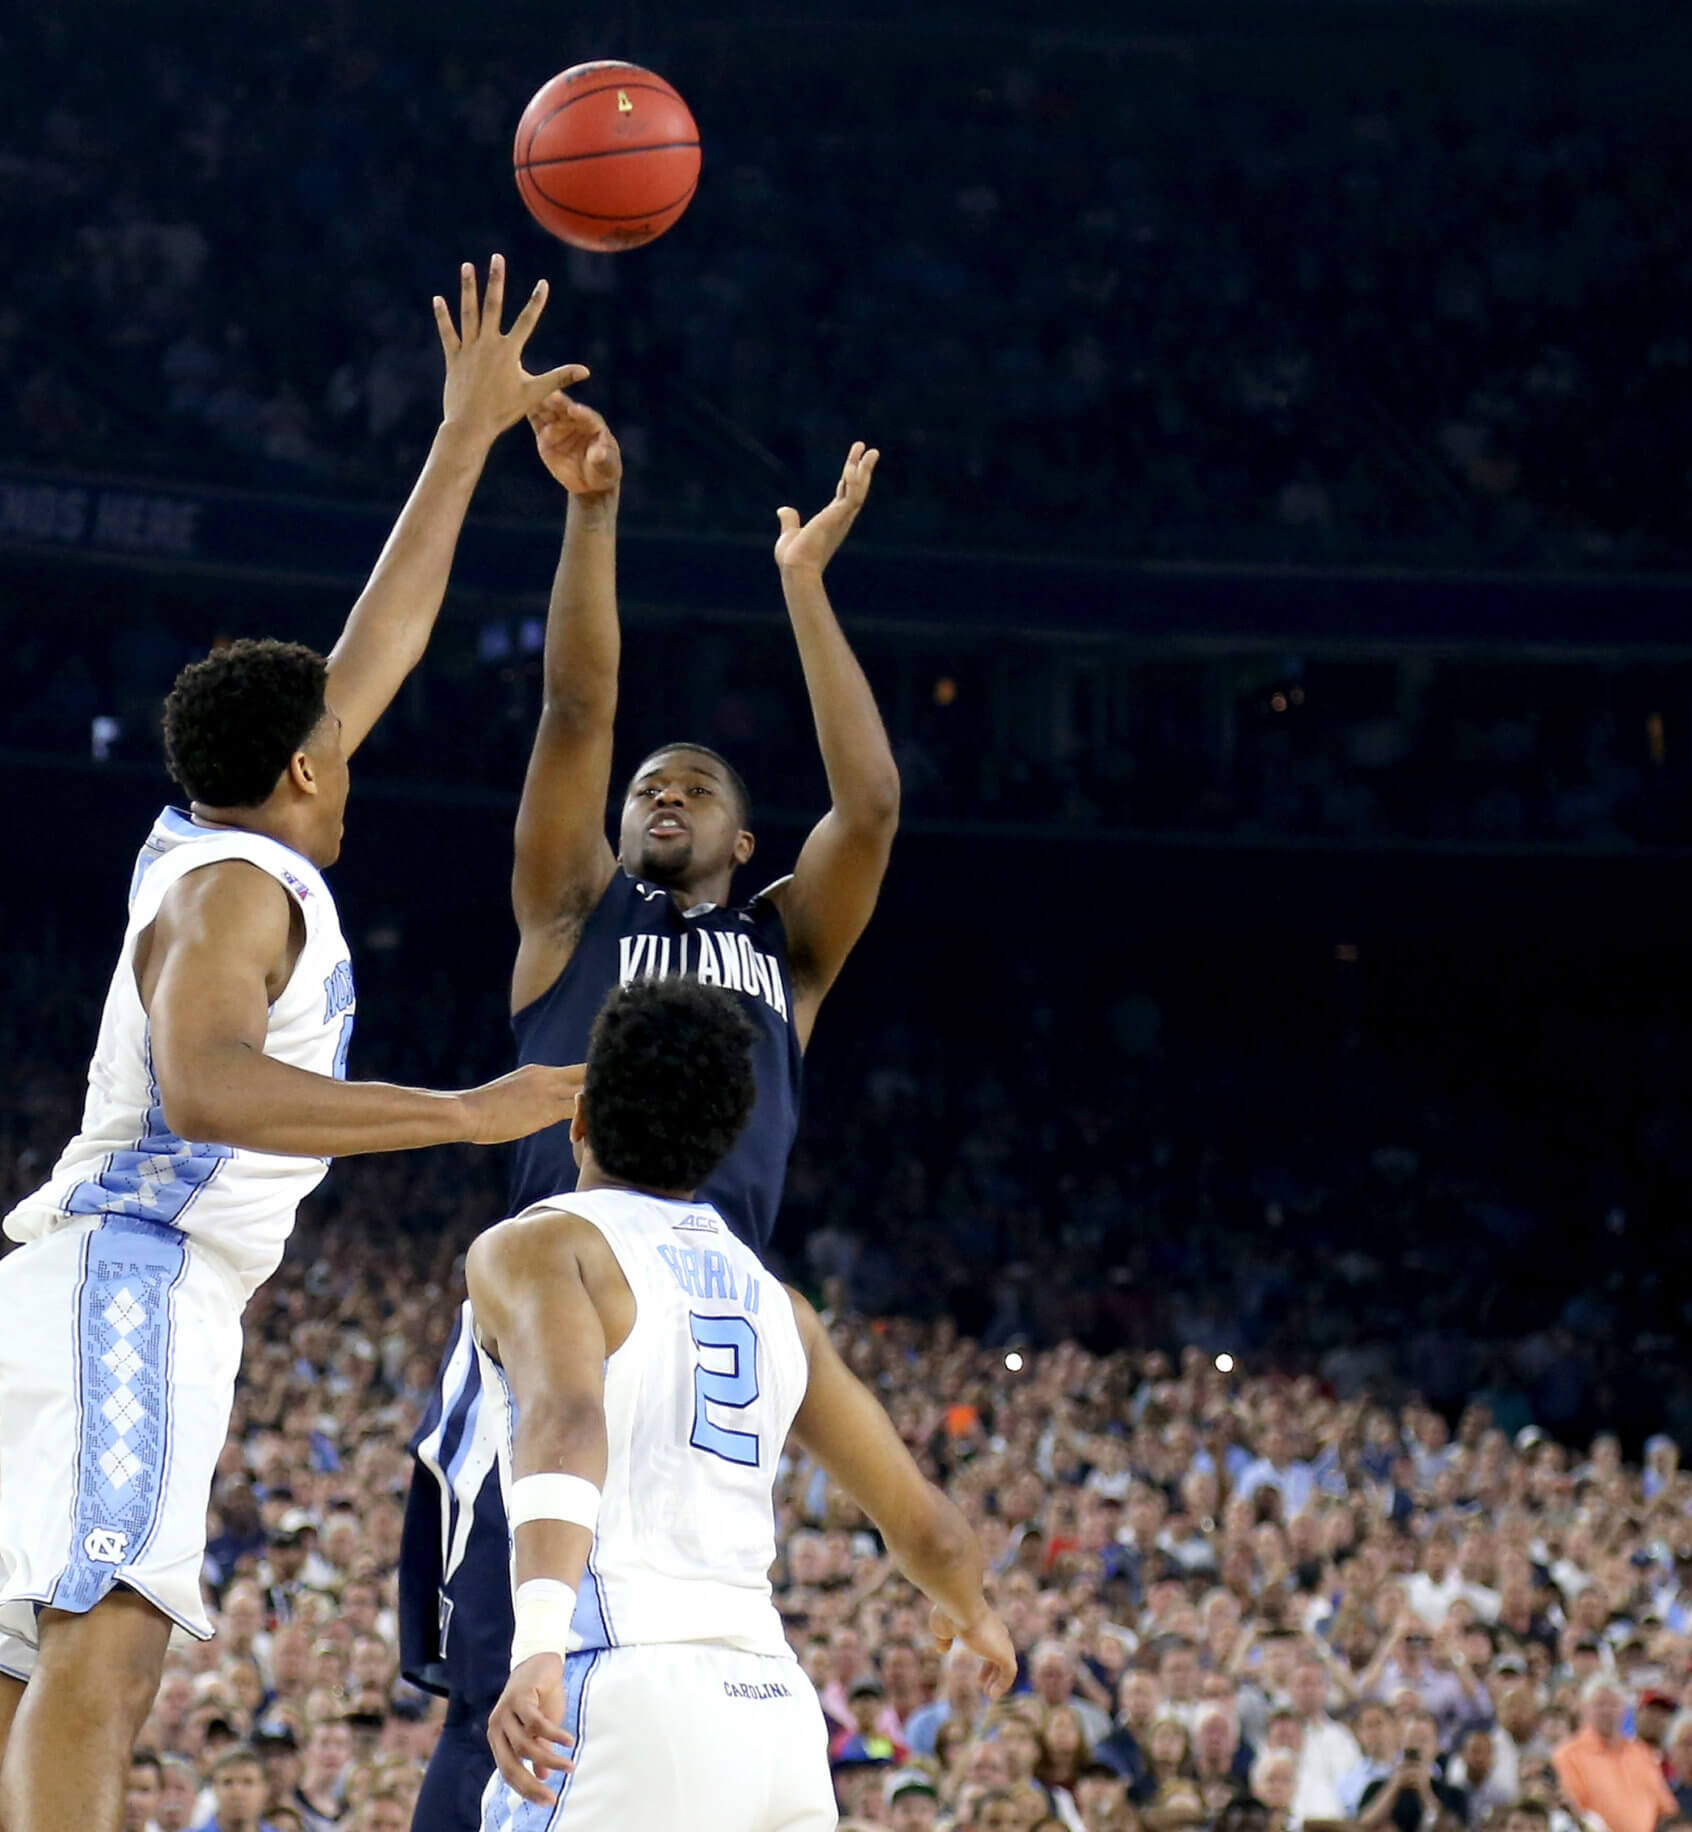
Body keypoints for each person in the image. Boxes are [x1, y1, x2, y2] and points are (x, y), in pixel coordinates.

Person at [0, 255, 587, 1832]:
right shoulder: (243, 887)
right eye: (339, 732)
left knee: (31, 1674)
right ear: (309, 770)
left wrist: (464, 443)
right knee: (103, 1652)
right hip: (132, 1277)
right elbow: (204, 1083)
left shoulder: (210, 831)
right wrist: (471, 1114)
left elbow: (373, 641)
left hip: (97, 1281)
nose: (359, 731)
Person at [403, 414, 907, 1830]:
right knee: (501, 1689)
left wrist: (804, 585)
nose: (658, 790)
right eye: (646, 789)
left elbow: (870, 800)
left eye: (693, 786)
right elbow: (575, 712)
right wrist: (594, 512)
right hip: (564, 1302)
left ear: (747, 844)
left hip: (709, 1336)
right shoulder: (570, 916)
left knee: (664, 1707)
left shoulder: (786, 950)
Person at [471, 979, 1018, 1828]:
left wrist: (537, 1642)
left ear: (578, 1121)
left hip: (625, 1690)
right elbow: (928, 1527)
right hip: (777, 1716)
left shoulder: (544, 1246)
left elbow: (569, 1422)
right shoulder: (780, 1306)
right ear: (724, 1145)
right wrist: (973, 1612)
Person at [1554, 1677, 1680, 1832]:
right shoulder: (1568, 1755)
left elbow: (1666, 1808)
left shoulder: (1642, 1753)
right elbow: (1574, 1811)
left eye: (1613, 1704)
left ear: (1624, 1710)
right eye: (1600, 1704)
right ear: (1584, 1709)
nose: (1606, 1711)